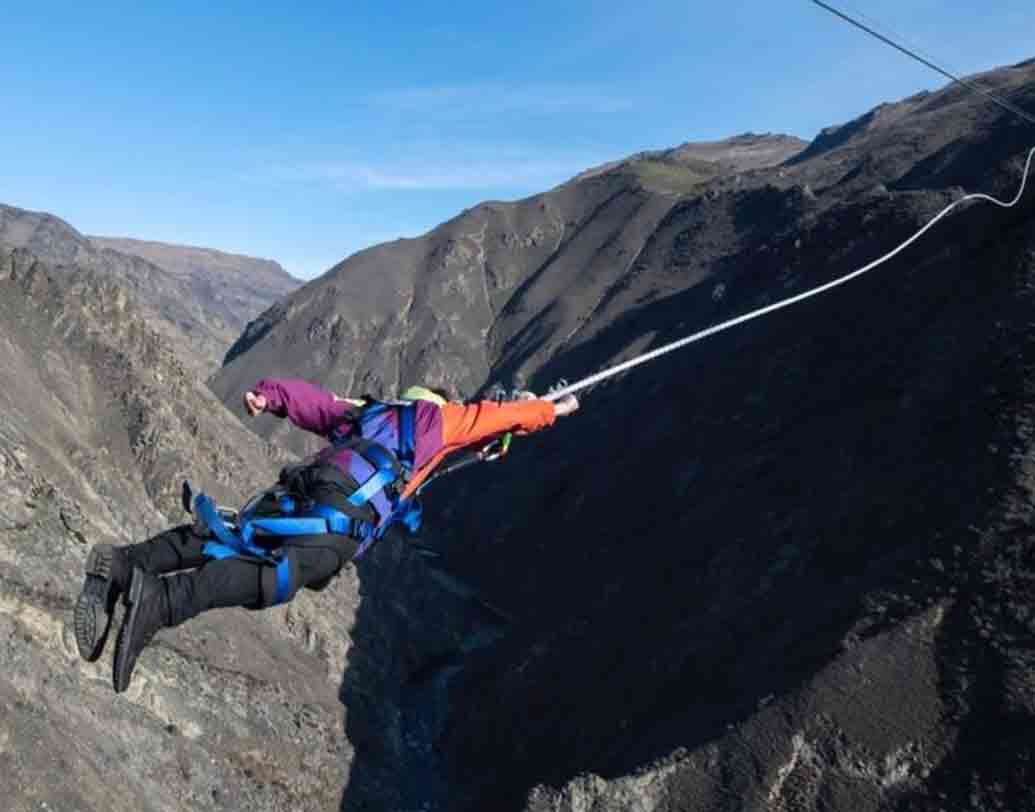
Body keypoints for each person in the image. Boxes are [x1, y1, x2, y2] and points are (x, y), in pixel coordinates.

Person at [73, 378, 579, 693]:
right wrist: (549, 411)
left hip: (308, 486)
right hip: (343, 511)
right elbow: (498, 418)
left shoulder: (371, 411)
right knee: (279, 578)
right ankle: (160, 602)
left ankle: (122, 563)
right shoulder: (439, 421)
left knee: (233, 536)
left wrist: (269, 395)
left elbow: (316, 403)